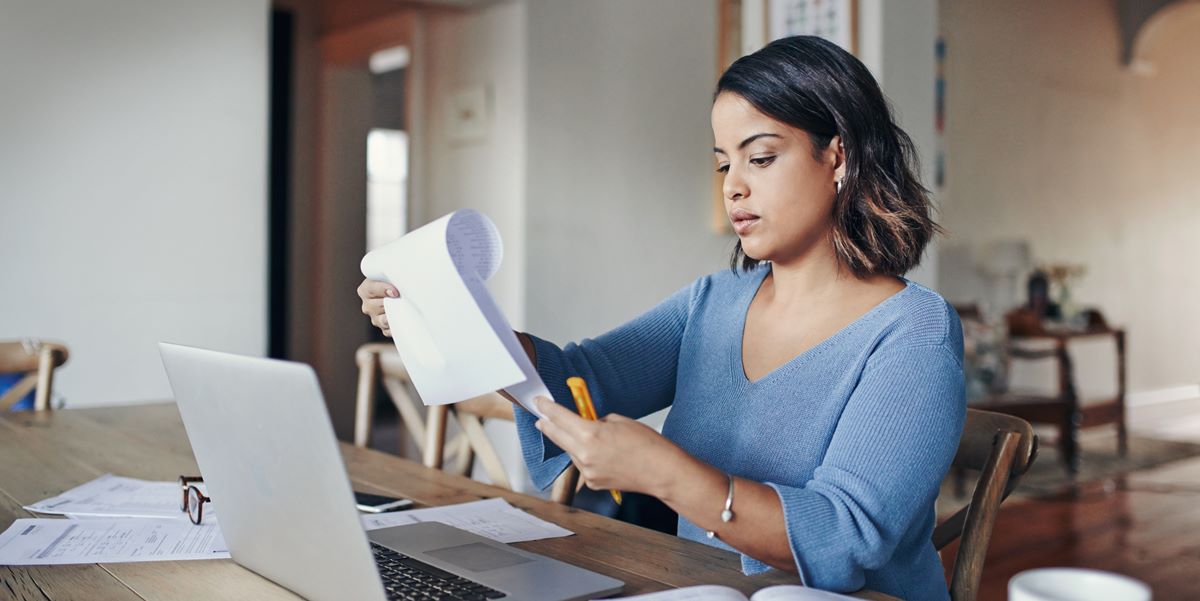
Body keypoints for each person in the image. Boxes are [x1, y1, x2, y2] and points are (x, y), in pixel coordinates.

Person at [358, 36, 964, 601]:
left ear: (838, 155)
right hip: (700, 587)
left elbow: (848, 538)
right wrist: (450, 318)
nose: (734, 188)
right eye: (726, 164)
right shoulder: (715, 302)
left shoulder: (914, 333)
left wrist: (669, 475)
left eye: (761, 157)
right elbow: (580, 379)